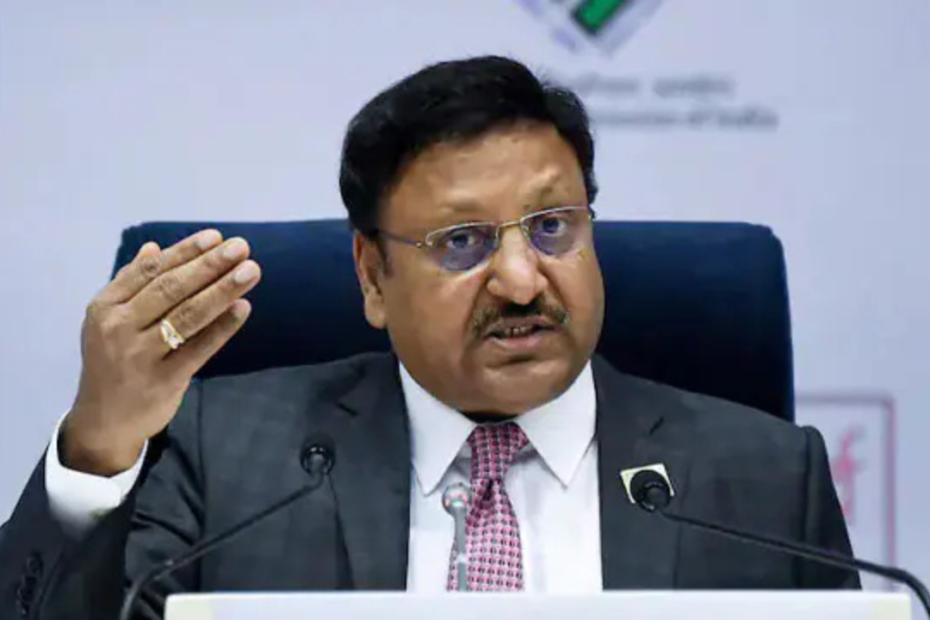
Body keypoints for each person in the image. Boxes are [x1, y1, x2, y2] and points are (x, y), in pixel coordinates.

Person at [0, 55, 858, 620]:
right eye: (463, 242)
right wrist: (99, 448)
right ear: (373, 277)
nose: (521, 280)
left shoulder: (766, 482)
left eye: (552, 227)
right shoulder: (227, 458)